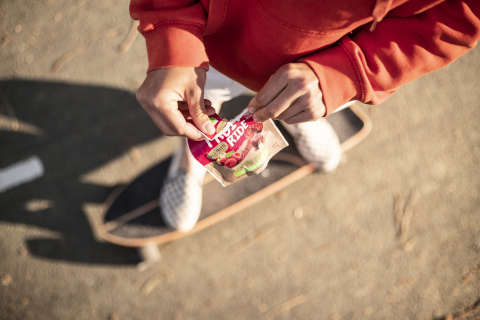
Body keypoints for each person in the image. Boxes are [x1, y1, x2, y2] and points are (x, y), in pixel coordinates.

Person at [131, 0, 480, 232]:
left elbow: (462, 16)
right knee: (201, 106)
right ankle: (194, 157)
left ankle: (297, 119)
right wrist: (172, 34)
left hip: (331, 55)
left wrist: (345, 73)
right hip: (216, 40)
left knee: (298, 100)